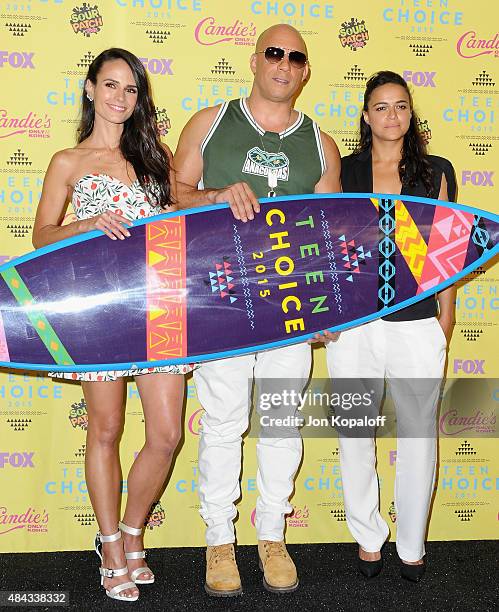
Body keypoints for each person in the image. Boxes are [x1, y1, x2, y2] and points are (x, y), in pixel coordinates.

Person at [174, 24, 341, 596]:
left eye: (295, 56)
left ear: (305, 71)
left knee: (280, 422)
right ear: (254, 59)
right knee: (223, 424)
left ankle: (272, 534)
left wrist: (325, 311)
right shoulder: (210, 122)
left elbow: (329, 234)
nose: (284, 63)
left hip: (290, 306)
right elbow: (174, 195)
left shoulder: (320, 143)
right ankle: (219, 540)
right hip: (223, 299)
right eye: (275, 52)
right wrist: (217, 196)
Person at [32, 48, 193, 602]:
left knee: (167, 434)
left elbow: (181, 227)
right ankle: (109, 543)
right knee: (105, 430)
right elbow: (40, 237)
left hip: (160, 308)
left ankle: (130, 531)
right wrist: (86, 225)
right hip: (99, 310)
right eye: (111, 86)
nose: (120, 98)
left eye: (130, 90)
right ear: (90, 89)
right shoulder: (67, 162)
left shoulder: (155, 160)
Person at [323, 70, 456, 582]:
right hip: (355, 325)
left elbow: (446, 257)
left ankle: (412, 545)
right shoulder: (346, 172)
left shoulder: (436, 171)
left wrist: (444, 315)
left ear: (411, 113)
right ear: (365, 115)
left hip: (417, 324)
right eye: (381, 107)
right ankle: (367, 536)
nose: (392, 116)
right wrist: (329, 315)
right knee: (355, 435)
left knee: (421, 436)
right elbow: (330, 249)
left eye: (401, 106)